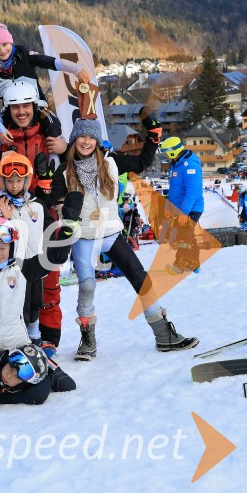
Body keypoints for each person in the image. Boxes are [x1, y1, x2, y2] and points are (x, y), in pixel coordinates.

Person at [46, 117, 199, 360]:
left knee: (142, 280)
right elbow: (51, 201)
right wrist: (64, 208)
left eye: (91, 137)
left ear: (96, 140)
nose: (86, 141)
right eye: (82, 137)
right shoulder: (64, 171)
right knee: (87, 286)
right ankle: (87, 340)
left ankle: (164, 335)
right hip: (83, 236)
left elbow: (141, 161)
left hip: (111, 234)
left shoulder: (111, 161)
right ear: (75, 140)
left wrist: (152, 138)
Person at [0, 155, 66, 353]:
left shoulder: (36, 204)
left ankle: (34, 335)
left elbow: (48, 230)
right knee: (16, 304)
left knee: (35, 302)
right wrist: (4, 219)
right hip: (11, 266)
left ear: (27, 181)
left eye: (19, 180)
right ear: (2, 181)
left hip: (34, 262)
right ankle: (16, 339)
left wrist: (49, 252)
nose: (14, 185)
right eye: (9, 181)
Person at [0, 22, 91, 144]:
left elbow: (50, 62)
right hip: (11, 110)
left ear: (11, 42)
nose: (2, 50)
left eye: (5, 44)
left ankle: (57, 158)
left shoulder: (25, 55)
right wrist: (0, 129)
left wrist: (76, 69)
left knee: (53, 127)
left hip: (37, 105)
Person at [160, 137, 204, 274]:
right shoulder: (176, 164)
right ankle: (194, 264)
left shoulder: (190, 165)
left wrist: (184, 212)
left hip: (191, 207)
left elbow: (192, 191)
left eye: (167, 153)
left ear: (173, 152)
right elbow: (174, 190)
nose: (166, 156)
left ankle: (180, 265)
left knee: (183, 235)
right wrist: (168, 207)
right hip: (179, 208)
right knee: (187, 234)